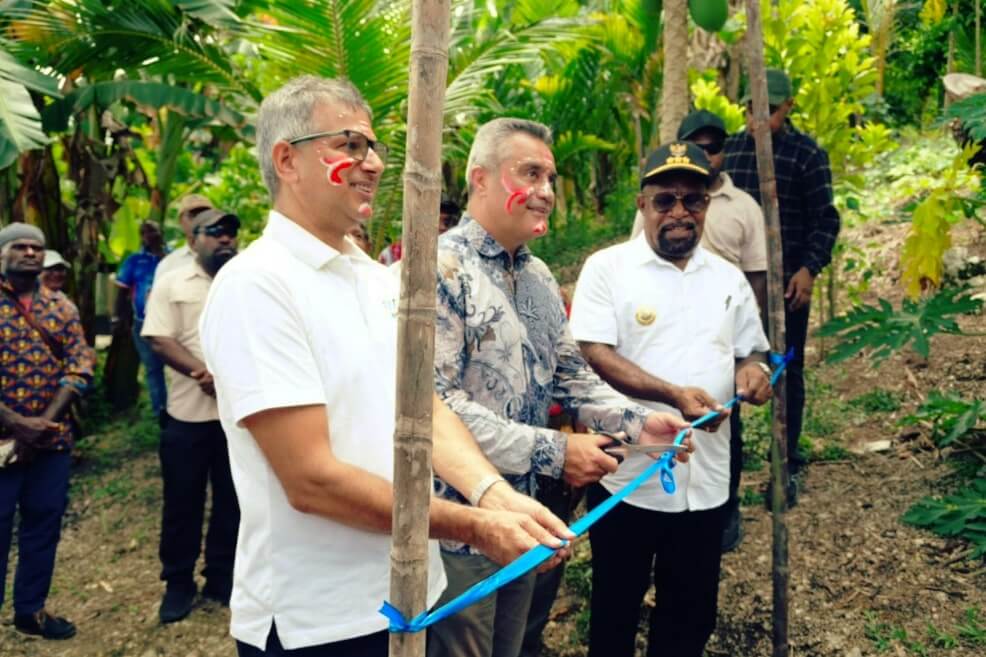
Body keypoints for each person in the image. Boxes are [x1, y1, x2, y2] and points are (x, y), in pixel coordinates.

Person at [198, 75, 573, 657]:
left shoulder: (376, 279)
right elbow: (311, 480)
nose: (372, 162)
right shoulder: (257, 285)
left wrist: (491, 492)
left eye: (373, 147)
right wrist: (473, 525)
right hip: (318, 623)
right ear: (286, 159)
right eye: (350, 144)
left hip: (409, 596)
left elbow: (421, 406)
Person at [429, 118, 691, 657]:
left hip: (529, 516)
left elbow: (572, 378)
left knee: (518, 645)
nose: (547, 191)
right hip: (459, 524)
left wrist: (640, 424)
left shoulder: (540, 277)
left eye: (551, 176)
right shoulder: (437, 270)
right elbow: (435, 407)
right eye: (531, 173)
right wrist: (556, 450)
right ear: (480, 179)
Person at [569, 142, 772, 657]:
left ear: (707, 206)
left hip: (706, 475)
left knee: (692, 609)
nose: (680, 213)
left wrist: (754, 375)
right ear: (642, 205)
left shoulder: (727, 278)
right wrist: (670, 394)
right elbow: (594, 351)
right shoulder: (607, 269)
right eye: (665, 200)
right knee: (616, 605)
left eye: (692, 201)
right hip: (628, 475)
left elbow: (751, 353)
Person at [723, 68, 841, 502]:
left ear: (788, 107)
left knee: (786, 369)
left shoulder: (807, 155)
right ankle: (727, 466)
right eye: (753, 110)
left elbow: (825, 219)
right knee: (726, 368)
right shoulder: (731, 152)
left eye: (769, 111)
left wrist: (808, 269)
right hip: (734, 288)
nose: (760, 120)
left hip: (786, 286)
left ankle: (785, 460)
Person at [141, 209, 242, 624]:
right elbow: (159, 339)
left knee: (233, 502)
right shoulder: (172, 283)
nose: (225, 240)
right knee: (183, 502)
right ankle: (178, 582)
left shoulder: (245, 282)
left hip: (237, 418)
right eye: (216, 232)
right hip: (187, 416)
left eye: (231, 233)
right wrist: (200, 372)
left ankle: (221, 576)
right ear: (194, 239)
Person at [0, 223, 95, 640]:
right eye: (19, 247)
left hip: (51, 443)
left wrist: (42, 425)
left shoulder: (61, 307)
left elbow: (79, 367)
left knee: (43, 524)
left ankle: (31, 611)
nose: (30, 253)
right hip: (1, 442)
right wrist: (18, 424)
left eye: (36, 248)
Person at [115, 220, 168, 421]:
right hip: (143, 323)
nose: (150, 235)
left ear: (160, 232)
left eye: (153, 230)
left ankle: (184, 412)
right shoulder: (135, 260)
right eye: (144, 232)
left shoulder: (172, 258)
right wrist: (118, 318)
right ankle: (160, 412)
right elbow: (122, 292)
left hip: (173, 323)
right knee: (153, 368)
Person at [378, 198, 461, 265]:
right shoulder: (392, 254)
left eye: (448, 222)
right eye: (435, 221)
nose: (442, 227)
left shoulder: (461, 257)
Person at [154, 193, 214, 282]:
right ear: (181, 221)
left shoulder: (227, 260)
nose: (199, 220)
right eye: (192, 216)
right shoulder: (169, 264)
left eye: (205, 215)